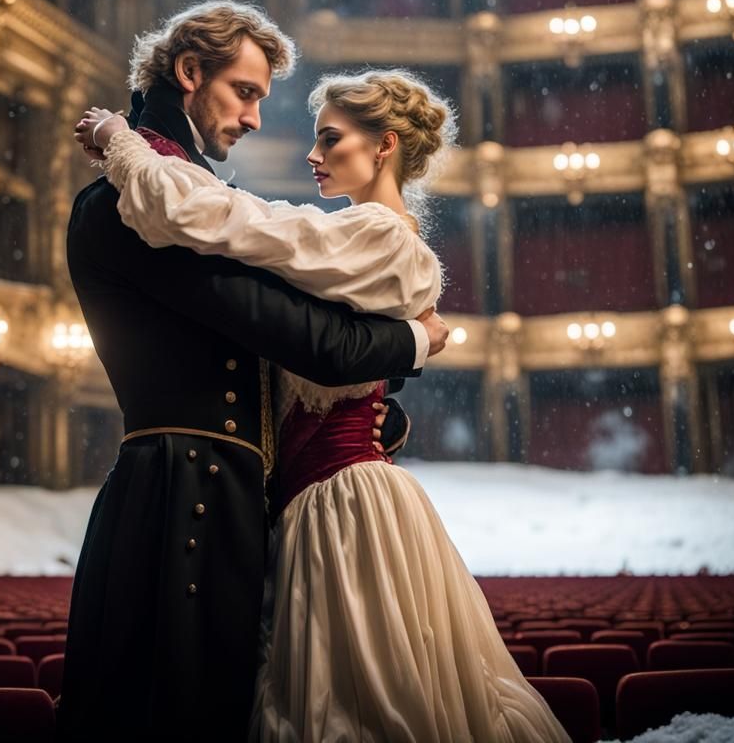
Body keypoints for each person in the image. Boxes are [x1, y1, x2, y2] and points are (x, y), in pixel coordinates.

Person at [79, 68, 572, 743]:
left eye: (330, 139)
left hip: (346, 501)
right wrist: (408, 348)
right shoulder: (353, 245)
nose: (313, 156)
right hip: (311, 502)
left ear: (385, 146)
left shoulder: (380, 236)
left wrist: (124, 144)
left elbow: (233, 221)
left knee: (358, 710)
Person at [58, 0, 449, 743]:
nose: (256, 119)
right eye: (245, 92)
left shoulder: (176, 194)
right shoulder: (128, 202)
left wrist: (365, 401)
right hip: (182, 492)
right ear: (188, 72)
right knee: (169, 715)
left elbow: (287, 329)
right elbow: (295, 334)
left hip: (230, 494)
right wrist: (410, 344)